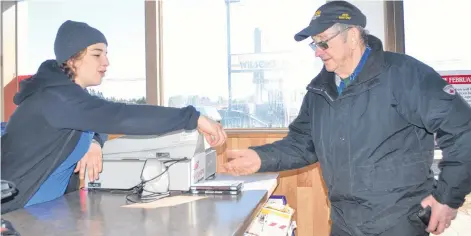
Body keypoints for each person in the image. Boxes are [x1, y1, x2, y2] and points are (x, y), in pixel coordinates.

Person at [221, 1, 471, 236]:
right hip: (344, 223)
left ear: (352, 36)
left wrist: (447, 197)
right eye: (314, 44)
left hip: (399, 223)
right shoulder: (320, 92)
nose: (317, 52)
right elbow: (303, 144)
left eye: (323, 43)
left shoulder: (405, 75)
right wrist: (260, 157)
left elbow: (463, 130)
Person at [1, 20, 227, 214]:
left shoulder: (71, 96)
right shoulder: (55, 98)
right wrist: (193, 117)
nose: (106, 62)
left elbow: (100, 120)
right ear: (72, 59)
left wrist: (94, 142)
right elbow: (120, 115)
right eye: (97, 54)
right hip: (17, 212)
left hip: (49, 211)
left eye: (106, 54)